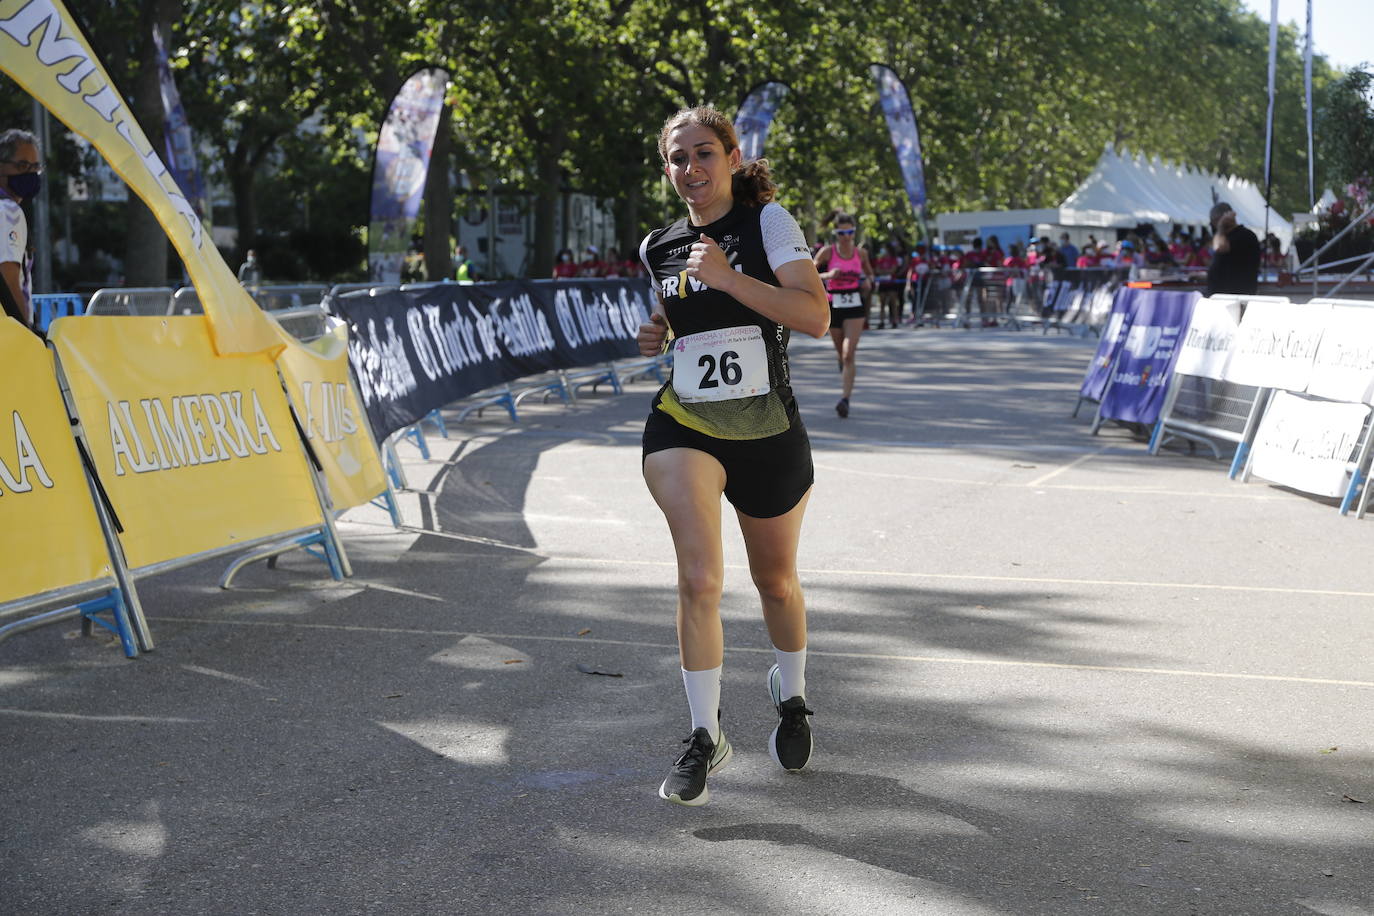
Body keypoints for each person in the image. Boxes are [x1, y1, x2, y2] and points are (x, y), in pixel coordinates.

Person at [635, 105, 828, 807]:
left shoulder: (767, 223)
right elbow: (685, 327)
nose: (692, 170)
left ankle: (793, 695)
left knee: (775, 583)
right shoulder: (658, 245)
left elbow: (813, 316)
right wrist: (657, 332)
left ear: (733, 155)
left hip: (769, 427)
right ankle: (703, 734)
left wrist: (727, 277)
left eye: (704, 154)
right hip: (686, 423)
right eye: (678, 158)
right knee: (699, 578)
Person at [814, 212, 874, 418]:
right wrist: (828, 276)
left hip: (855, 305)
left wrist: (867, 280)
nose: (846, 237)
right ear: (836, 233)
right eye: (842, 233)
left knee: (849, 354)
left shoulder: (861, 254)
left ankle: (845, 399)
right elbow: (809, 275)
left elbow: (869, 274)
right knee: (841, 354)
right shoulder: (827, 253)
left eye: (850, 232)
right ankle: (846, 373)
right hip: (834, 305)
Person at [0, 128, 41, 329]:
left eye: (35, 167)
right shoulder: (9, 211)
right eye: (23, 165)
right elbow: (9, 277)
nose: (31, 174)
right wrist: (26, 333)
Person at [1205, 202, 1259, 295]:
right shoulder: (1227, 237)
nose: (1214, 226)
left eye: (1214, 222)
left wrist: (1221, 227)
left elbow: (1219, 247)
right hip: (1223, 296)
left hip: (1236, 297)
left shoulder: (1245, 235)